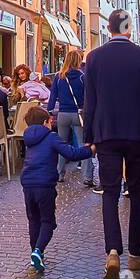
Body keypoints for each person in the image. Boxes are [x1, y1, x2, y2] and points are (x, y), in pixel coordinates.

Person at [82, 8, 140, 279]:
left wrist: (88, 136)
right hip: (138, 133)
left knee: (110, 192)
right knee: (138, 192)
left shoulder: (94, 58)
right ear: (129, 29)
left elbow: (90, 101)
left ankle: (113, 251)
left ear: (108, 29)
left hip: (106, 133)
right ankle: (136, 254)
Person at [20, 106, 93, 271]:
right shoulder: (51, 137)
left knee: (33, 220)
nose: (52, 122)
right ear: (45, 122)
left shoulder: (28, 138)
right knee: (48, 221)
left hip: (28, 184)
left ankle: (35, 253)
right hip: (44, 184)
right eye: (50, 120)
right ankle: (38, 251)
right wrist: (90, 149)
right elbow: (72, 154)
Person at [50, 50, 91, 185]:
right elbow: (87, 96)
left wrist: (50, 112)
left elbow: (52, 97)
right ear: (78, 60)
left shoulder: (58, 77)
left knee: (62, 145)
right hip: (78, 114)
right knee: (82, 145)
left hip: (62, 114)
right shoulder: (82, 76)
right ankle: (87, 176)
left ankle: (59, 173)